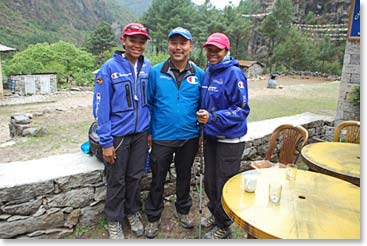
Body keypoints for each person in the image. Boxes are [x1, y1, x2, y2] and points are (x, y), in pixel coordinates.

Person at [144, 27, 205, 239]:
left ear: (191, 46)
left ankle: (183, 209)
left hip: (189, 136)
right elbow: (149, 104)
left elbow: (202, 105)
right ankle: (153, 216)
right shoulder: (156, 72)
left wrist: (200, 135)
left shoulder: (199, 74)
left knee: (184, 176)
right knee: (157, 178)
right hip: (162, 136)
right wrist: (149, 132)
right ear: (168, 45)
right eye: (174, 43)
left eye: (183, 43)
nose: (178, 47)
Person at [92, 22, 151, 239]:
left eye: (141, 40)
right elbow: (100, 108)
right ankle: (114, 219)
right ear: (123, 40)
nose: (136, 44)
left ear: (145, 43)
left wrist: (150, 131)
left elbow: (149, 102)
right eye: (132, 39)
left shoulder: (147, 67)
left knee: (135, 176)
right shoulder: (108, 69)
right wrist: (106, 143)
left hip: (141, 134)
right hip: (118, 135)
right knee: (116, 179)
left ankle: (132, 211)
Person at [196, 33, 250, 239]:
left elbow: (242, 109)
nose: (212, 53)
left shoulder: (234, 74)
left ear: (226, 51)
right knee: (210, 182)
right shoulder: (209, 71)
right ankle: (216, 213)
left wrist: (213, 117)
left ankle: (224, 225)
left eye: (217, 50)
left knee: (223, 184)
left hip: (230, 140)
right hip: (211, 137)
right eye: (209, 49)